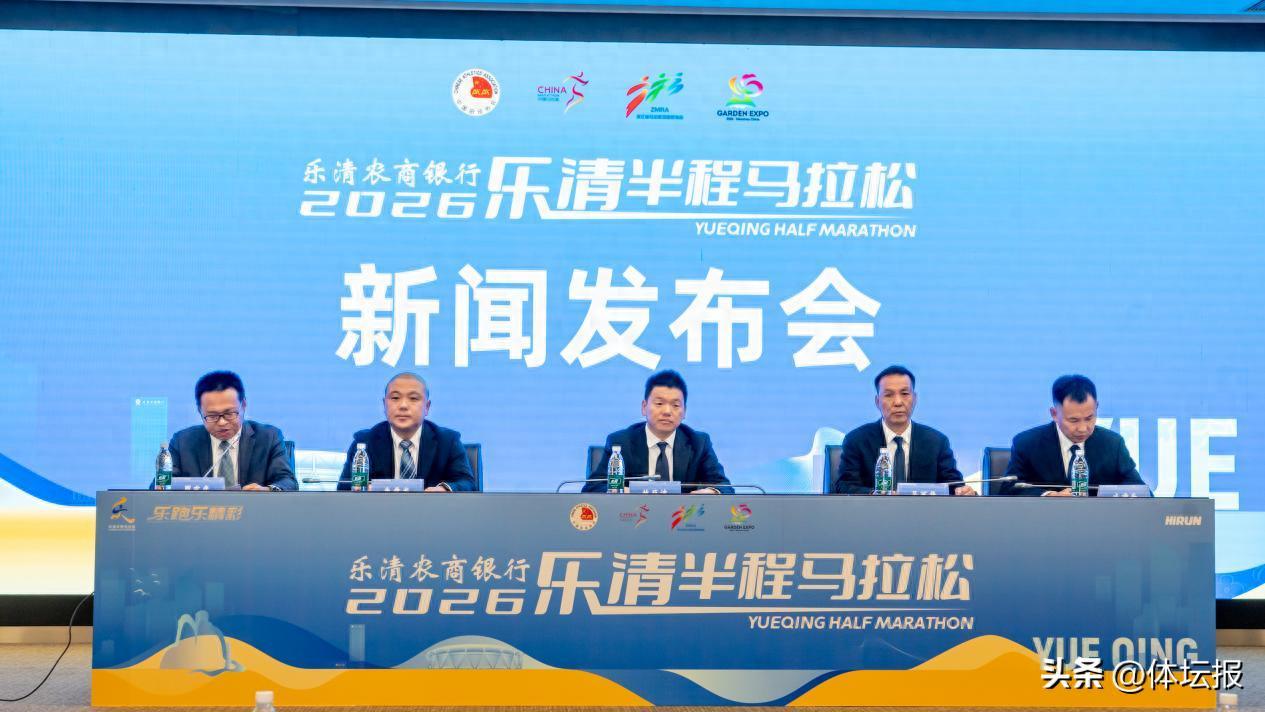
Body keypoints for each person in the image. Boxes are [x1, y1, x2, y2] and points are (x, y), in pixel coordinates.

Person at [585, 369, 731, 494]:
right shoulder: (621, 442)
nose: (667, 411)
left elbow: (724, 487)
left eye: (675, 405)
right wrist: (622, 491)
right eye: (659, 403)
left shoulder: (698, 443)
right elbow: (593, 488)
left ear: (684, 411)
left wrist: (712, 492)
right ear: (644, 407)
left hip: (681, 517)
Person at [835, 365, 973, 495]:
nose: (898, 402)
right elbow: (844, 486)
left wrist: (963, 492)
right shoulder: (857, 441)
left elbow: (954, 486)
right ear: (877, 402)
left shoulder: (936, 442)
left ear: (915, 398)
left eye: (905, 393)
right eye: (889, 395)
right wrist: (876, 495)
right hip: (873, 512)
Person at [1000, 374, 1147, 496]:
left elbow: (1142, 492)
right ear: (1054, 414)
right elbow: (1008, 490)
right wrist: (1049, 496)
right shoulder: (1027, 444)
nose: (1083, 428)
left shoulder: (1113, 444)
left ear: (1096, 407)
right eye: (1073, 420)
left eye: (1089, 418)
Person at [338, 372, 476, 492]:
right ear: (384, 405)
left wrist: (444, 489)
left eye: (413, 398)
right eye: (395, 398)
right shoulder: (365, 442)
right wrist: (362, 488)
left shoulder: (447, 441)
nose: (403, 406)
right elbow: (343, 487)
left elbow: (467, 483)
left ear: (427, 407)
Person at [166, 371, 296, 491]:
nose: (222, 422)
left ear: (243, 405)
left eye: (229, 413)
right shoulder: (182, 442)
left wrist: (267, 490)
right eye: (212, 416)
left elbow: (287, 481)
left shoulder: (269, 437)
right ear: (200, 411)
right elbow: (163, 487)